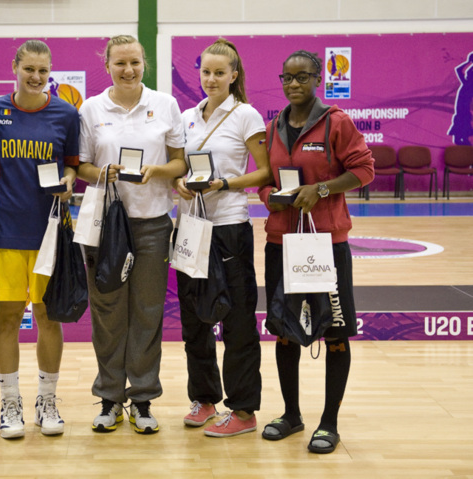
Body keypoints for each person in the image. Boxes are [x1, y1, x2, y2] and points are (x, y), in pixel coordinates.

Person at [257, 50, 374, 454]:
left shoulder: (336, 123)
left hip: (326, 244)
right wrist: (270, 196)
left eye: (302, 77)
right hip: (281, 244)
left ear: (317, 80)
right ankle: (291, 415)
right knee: (284, 331)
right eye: (287, 78)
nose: (293, 84)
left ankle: (329, 423)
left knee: (336, 333)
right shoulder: (274, 126)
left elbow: (364, 170)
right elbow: (266, 180)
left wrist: (321, 189)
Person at [77, 35, 186, 434]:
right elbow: (82, 165)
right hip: (105, 226)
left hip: (154, 222)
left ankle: (142, 399)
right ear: (107, 65)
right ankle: (109, 399)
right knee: (107, 315)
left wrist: (158, 172)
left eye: (135, 63)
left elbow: (180, 162)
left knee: (146, 312)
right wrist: (100, 174)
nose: (128, 70)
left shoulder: (165, 105)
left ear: (145, 64)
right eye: (120, 63)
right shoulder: (91, 108)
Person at [173, 38, 273, 437]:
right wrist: (181, 181)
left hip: (229, 227)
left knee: (237, 319)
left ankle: (244, 410)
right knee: (194, 319)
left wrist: (224, 184)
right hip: (190, 227)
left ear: (234, 75)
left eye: (219, 73)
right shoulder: (187, 116)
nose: (211, 79)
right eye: (206, 72)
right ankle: (204, 399)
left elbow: (264, 172)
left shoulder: (246, 114)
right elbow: (180, 164)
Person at [0, 40, 79, 439]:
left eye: (43, 71)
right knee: (7, 319)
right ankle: (10, 404)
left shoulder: (66, 113)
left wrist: (69, 182)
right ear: (15, 67)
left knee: (47, 317)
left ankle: (47, 401)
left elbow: (74, 167)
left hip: (51, 235)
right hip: (5, 232)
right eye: (29, 70)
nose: (37, 78)